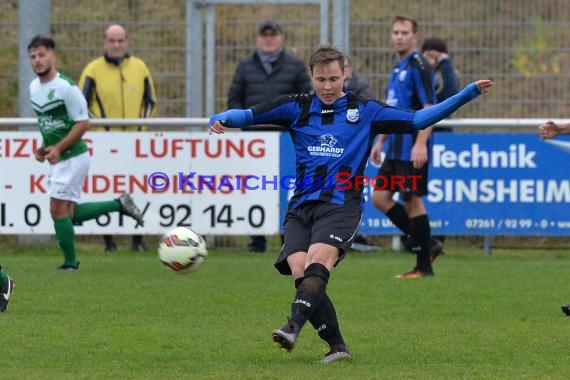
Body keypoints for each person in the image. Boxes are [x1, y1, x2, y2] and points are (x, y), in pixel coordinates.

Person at [208, 44, 492, 362]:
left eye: (333, 78)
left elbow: (419, 118)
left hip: (341, 206)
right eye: (320, 79)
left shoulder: (366, 111)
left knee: (317, 262)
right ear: (311, 77)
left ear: (346, 74)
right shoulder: (295, 107)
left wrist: (465, 95)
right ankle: (338, 347)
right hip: (301, 206)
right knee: (300, 272)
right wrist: (221, 118)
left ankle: (292, 327)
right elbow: (247, 115)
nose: (327, 87)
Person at [28, 35, 145, 271]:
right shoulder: (34, 88)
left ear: (53, 56)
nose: (38, 60)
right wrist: (44, 146)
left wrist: (59, 148)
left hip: (73, 157)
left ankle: (71, 264)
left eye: (42, 55)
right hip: (60, 157)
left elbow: (83, 123)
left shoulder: (66, 88)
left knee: (56, 210)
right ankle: (118, 204)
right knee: (68, 213)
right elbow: (50, 123)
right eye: (33, 57)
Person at [227, 20, 312, 253]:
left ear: (281, 37)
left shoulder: (295, 66)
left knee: (288, 187)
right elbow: (234, 99)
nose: (269, 40)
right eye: (264, 35)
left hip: (287, 139)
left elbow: (306, 99)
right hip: (254, 140)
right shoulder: (245, 66)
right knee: (256, 188)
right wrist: (242, 127)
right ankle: (257, 240)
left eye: (273, 35)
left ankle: (290, 237)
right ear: (257, 38)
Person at [370, 15, 444, 279]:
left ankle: (423, 267)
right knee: (379, 197)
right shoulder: (397, 66)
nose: (399, 36)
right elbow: (394, 110)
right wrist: (381, 139)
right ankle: (429, 244)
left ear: (415, 36)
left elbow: (430, 108)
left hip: (413, 146)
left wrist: (421, 142)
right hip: (395, 146)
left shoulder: (419, 66)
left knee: (413, 201)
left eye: (404, 32)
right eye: (396, 32)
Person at [78, 24, 157, 252]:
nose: (116, 45)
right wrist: (101, 131)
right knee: (106, 190)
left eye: (120, 40)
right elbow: (82, 104)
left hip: (136, 141)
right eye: (112, 40)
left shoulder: (140, 67)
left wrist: (141, 130)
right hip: (105, 143)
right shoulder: (92, 69)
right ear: (105, 42)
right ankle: (108, 240)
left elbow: (150, 102)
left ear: (127, 42)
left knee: (137, 188)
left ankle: (137, 239)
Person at [421, 37, 461, 244]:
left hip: (441, 136)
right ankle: (418, 236)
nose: (432, 61)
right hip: (418, 137)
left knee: (439, 188)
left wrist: (445, 63)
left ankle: (434, 237)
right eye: (428, 56)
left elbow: (451, 95)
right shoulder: (419, 74)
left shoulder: (444, 75)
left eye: (436, 57)